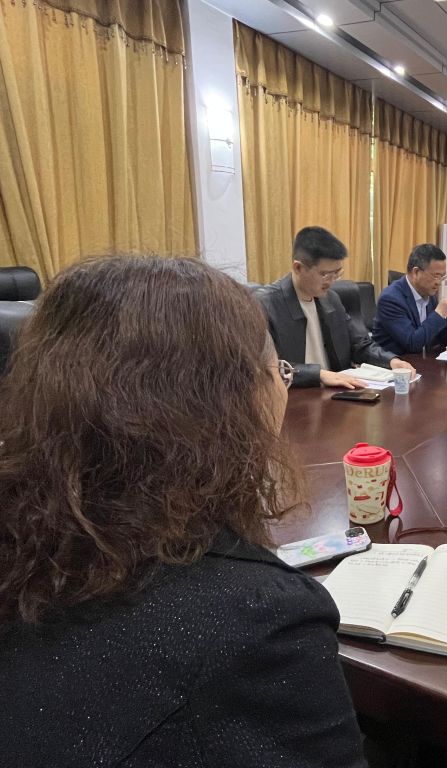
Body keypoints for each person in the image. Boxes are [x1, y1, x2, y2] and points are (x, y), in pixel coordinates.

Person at [0, 256, 367, 768]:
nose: (283, 385)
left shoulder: (27, 537)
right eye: (279, 371)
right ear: (231, 403)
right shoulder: (260, 619)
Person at [260, 226, 414, 388]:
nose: (332, 281)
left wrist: (391, 360)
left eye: (337, 273)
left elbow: (359, 345)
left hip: (336, 393)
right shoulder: (266, 304)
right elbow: (265, 367)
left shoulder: (331, 299)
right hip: (292, 395)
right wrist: (318, 375)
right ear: (298, 268)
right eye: (325, 274)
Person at [372, 243, 447, 354]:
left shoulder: (430, 295)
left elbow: (443, 340)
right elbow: (412, 343)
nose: (439, 282)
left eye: (442, 276)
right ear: (416, 272)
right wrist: (439, 313)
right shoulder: (390, 299)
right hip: (396, 361)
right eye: (436, 276)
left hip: (420, 360)